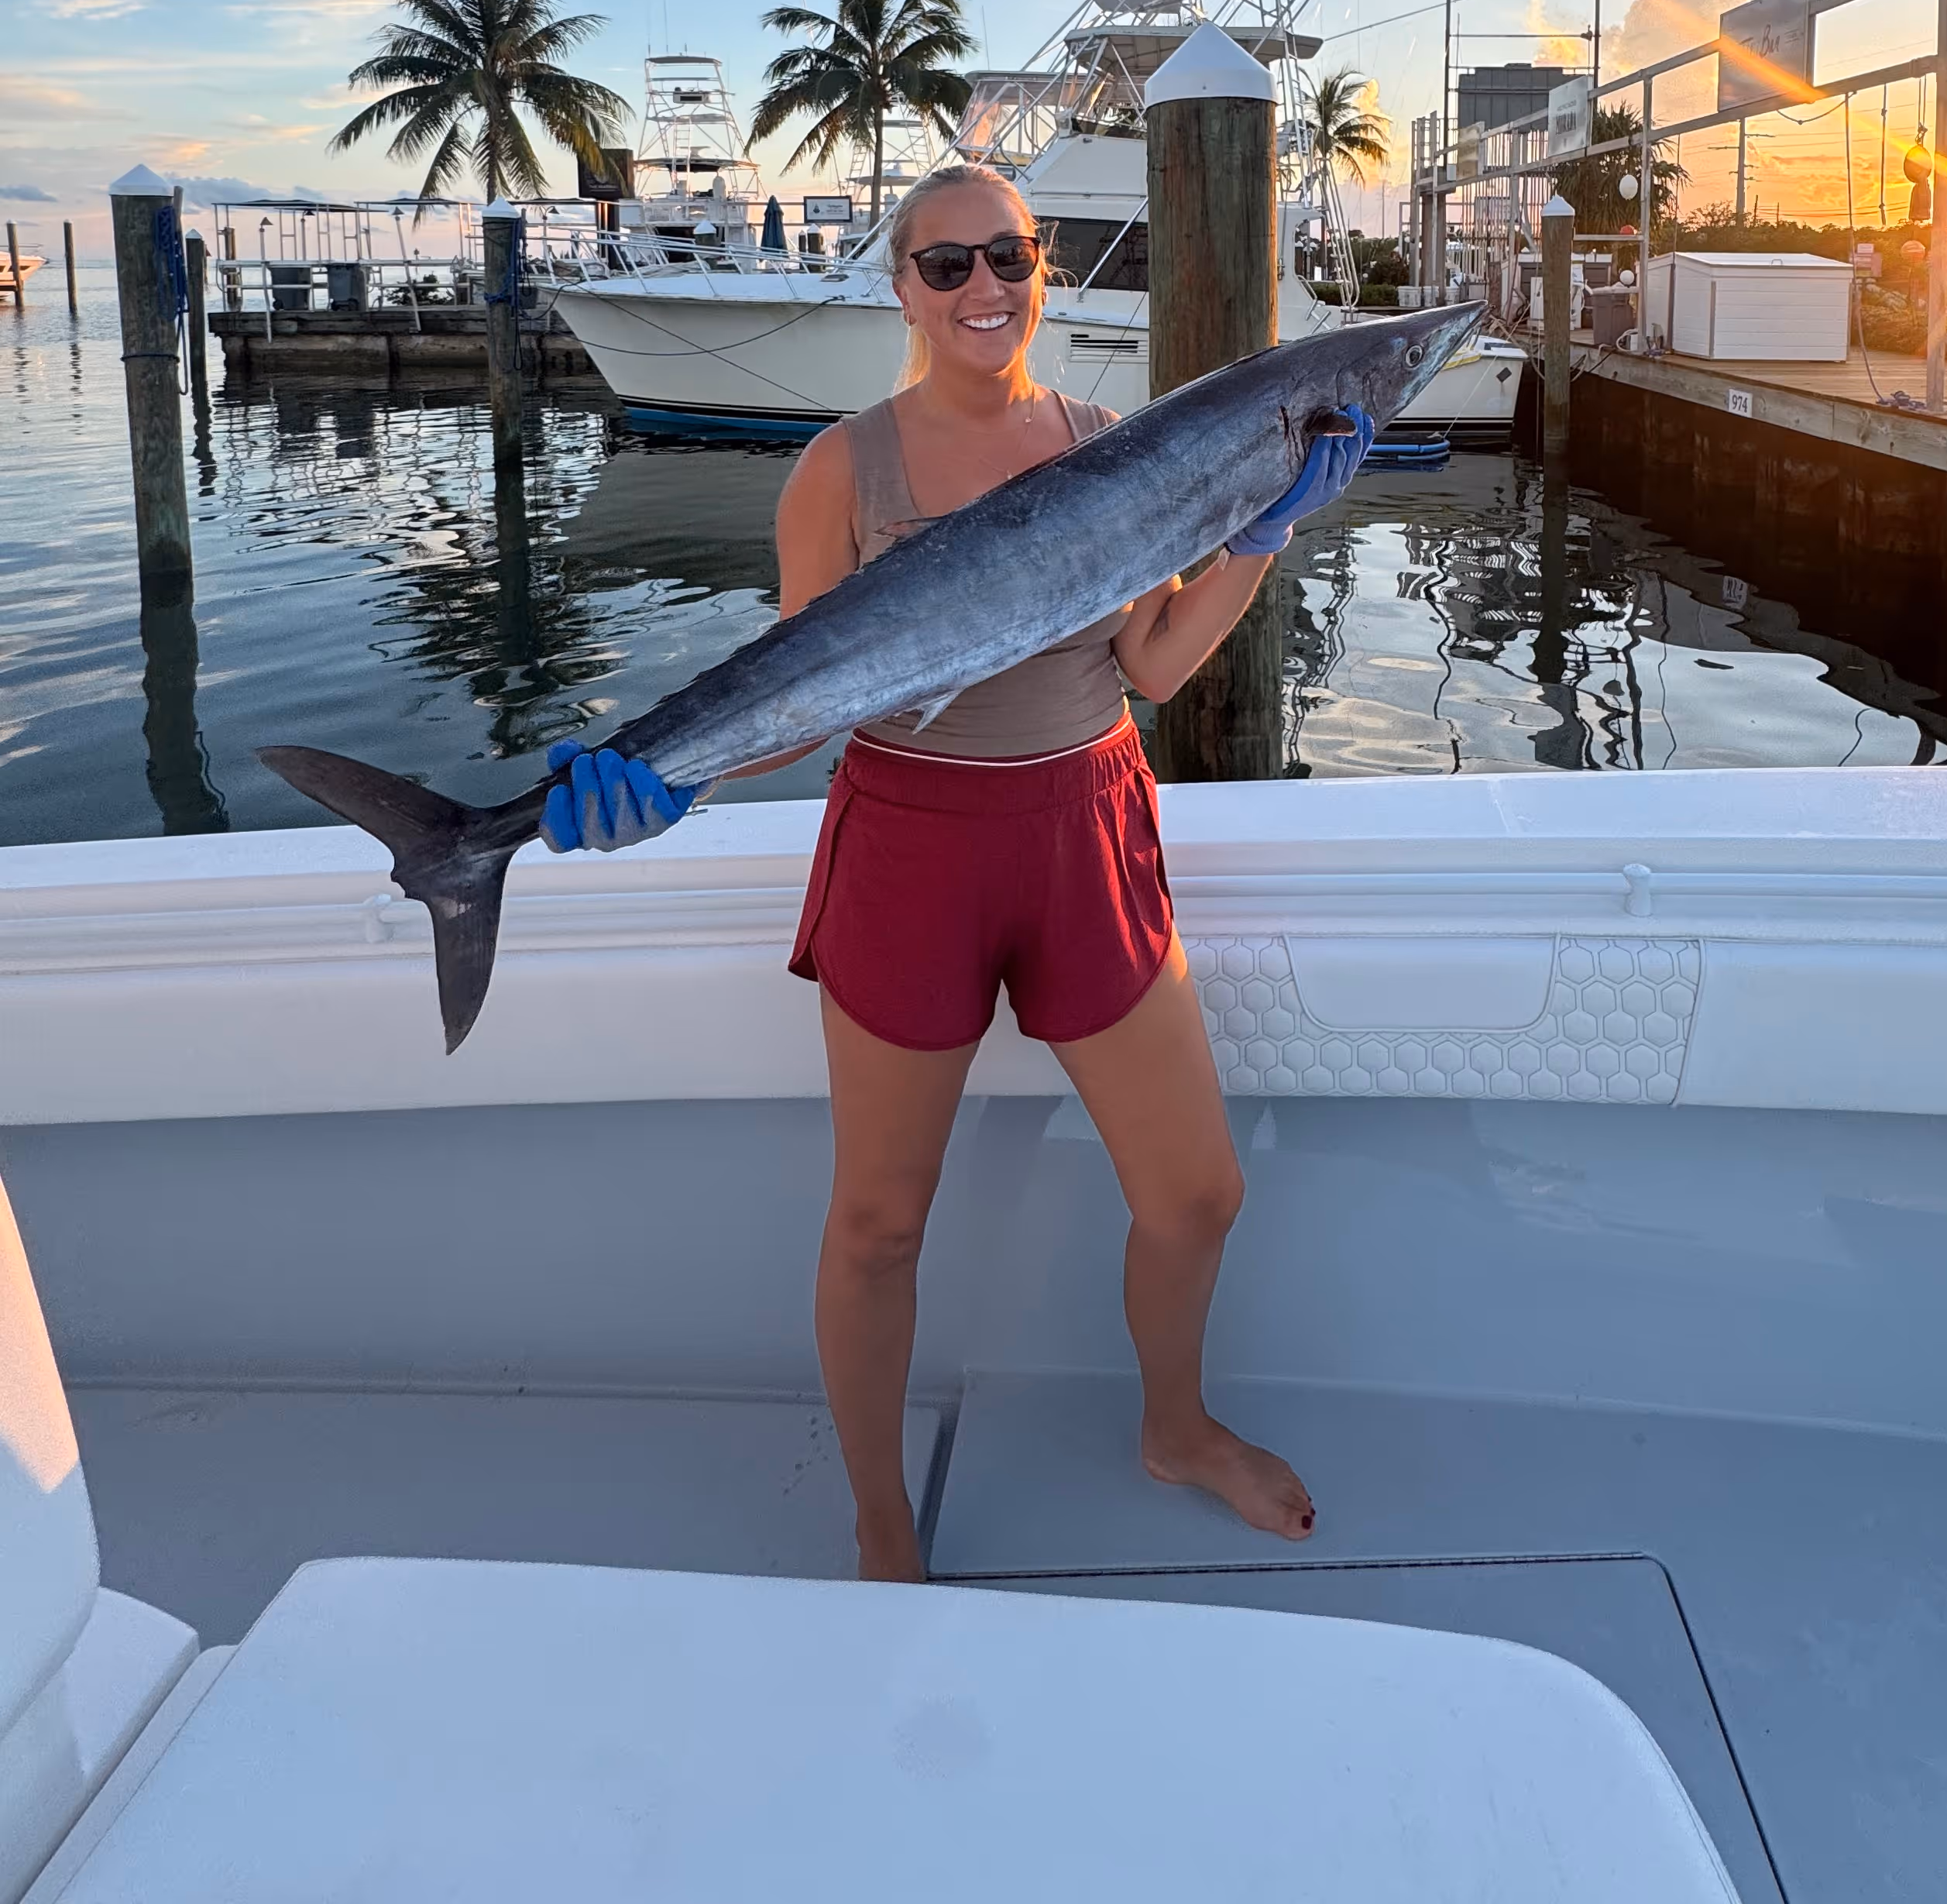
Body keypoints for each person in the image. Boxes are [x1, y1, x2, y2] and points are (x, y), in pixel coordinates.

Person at [541, 156, 1370, 1579]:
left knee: (1197, 1194)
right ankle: (877, 1514)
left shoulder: (1116, 441)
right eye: (949, 265)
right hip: (911, 846)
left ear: (1042, 269)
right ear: (903, 289)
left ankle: (1174, 1426)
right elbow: (797, 697)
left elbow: (1158, 668)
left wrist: (1259, 535)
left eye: (1013, 255)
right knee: (875, 1224)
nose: (986, 287)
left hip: (1088, 828)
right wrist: (657, 789)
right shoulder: (839, 469)